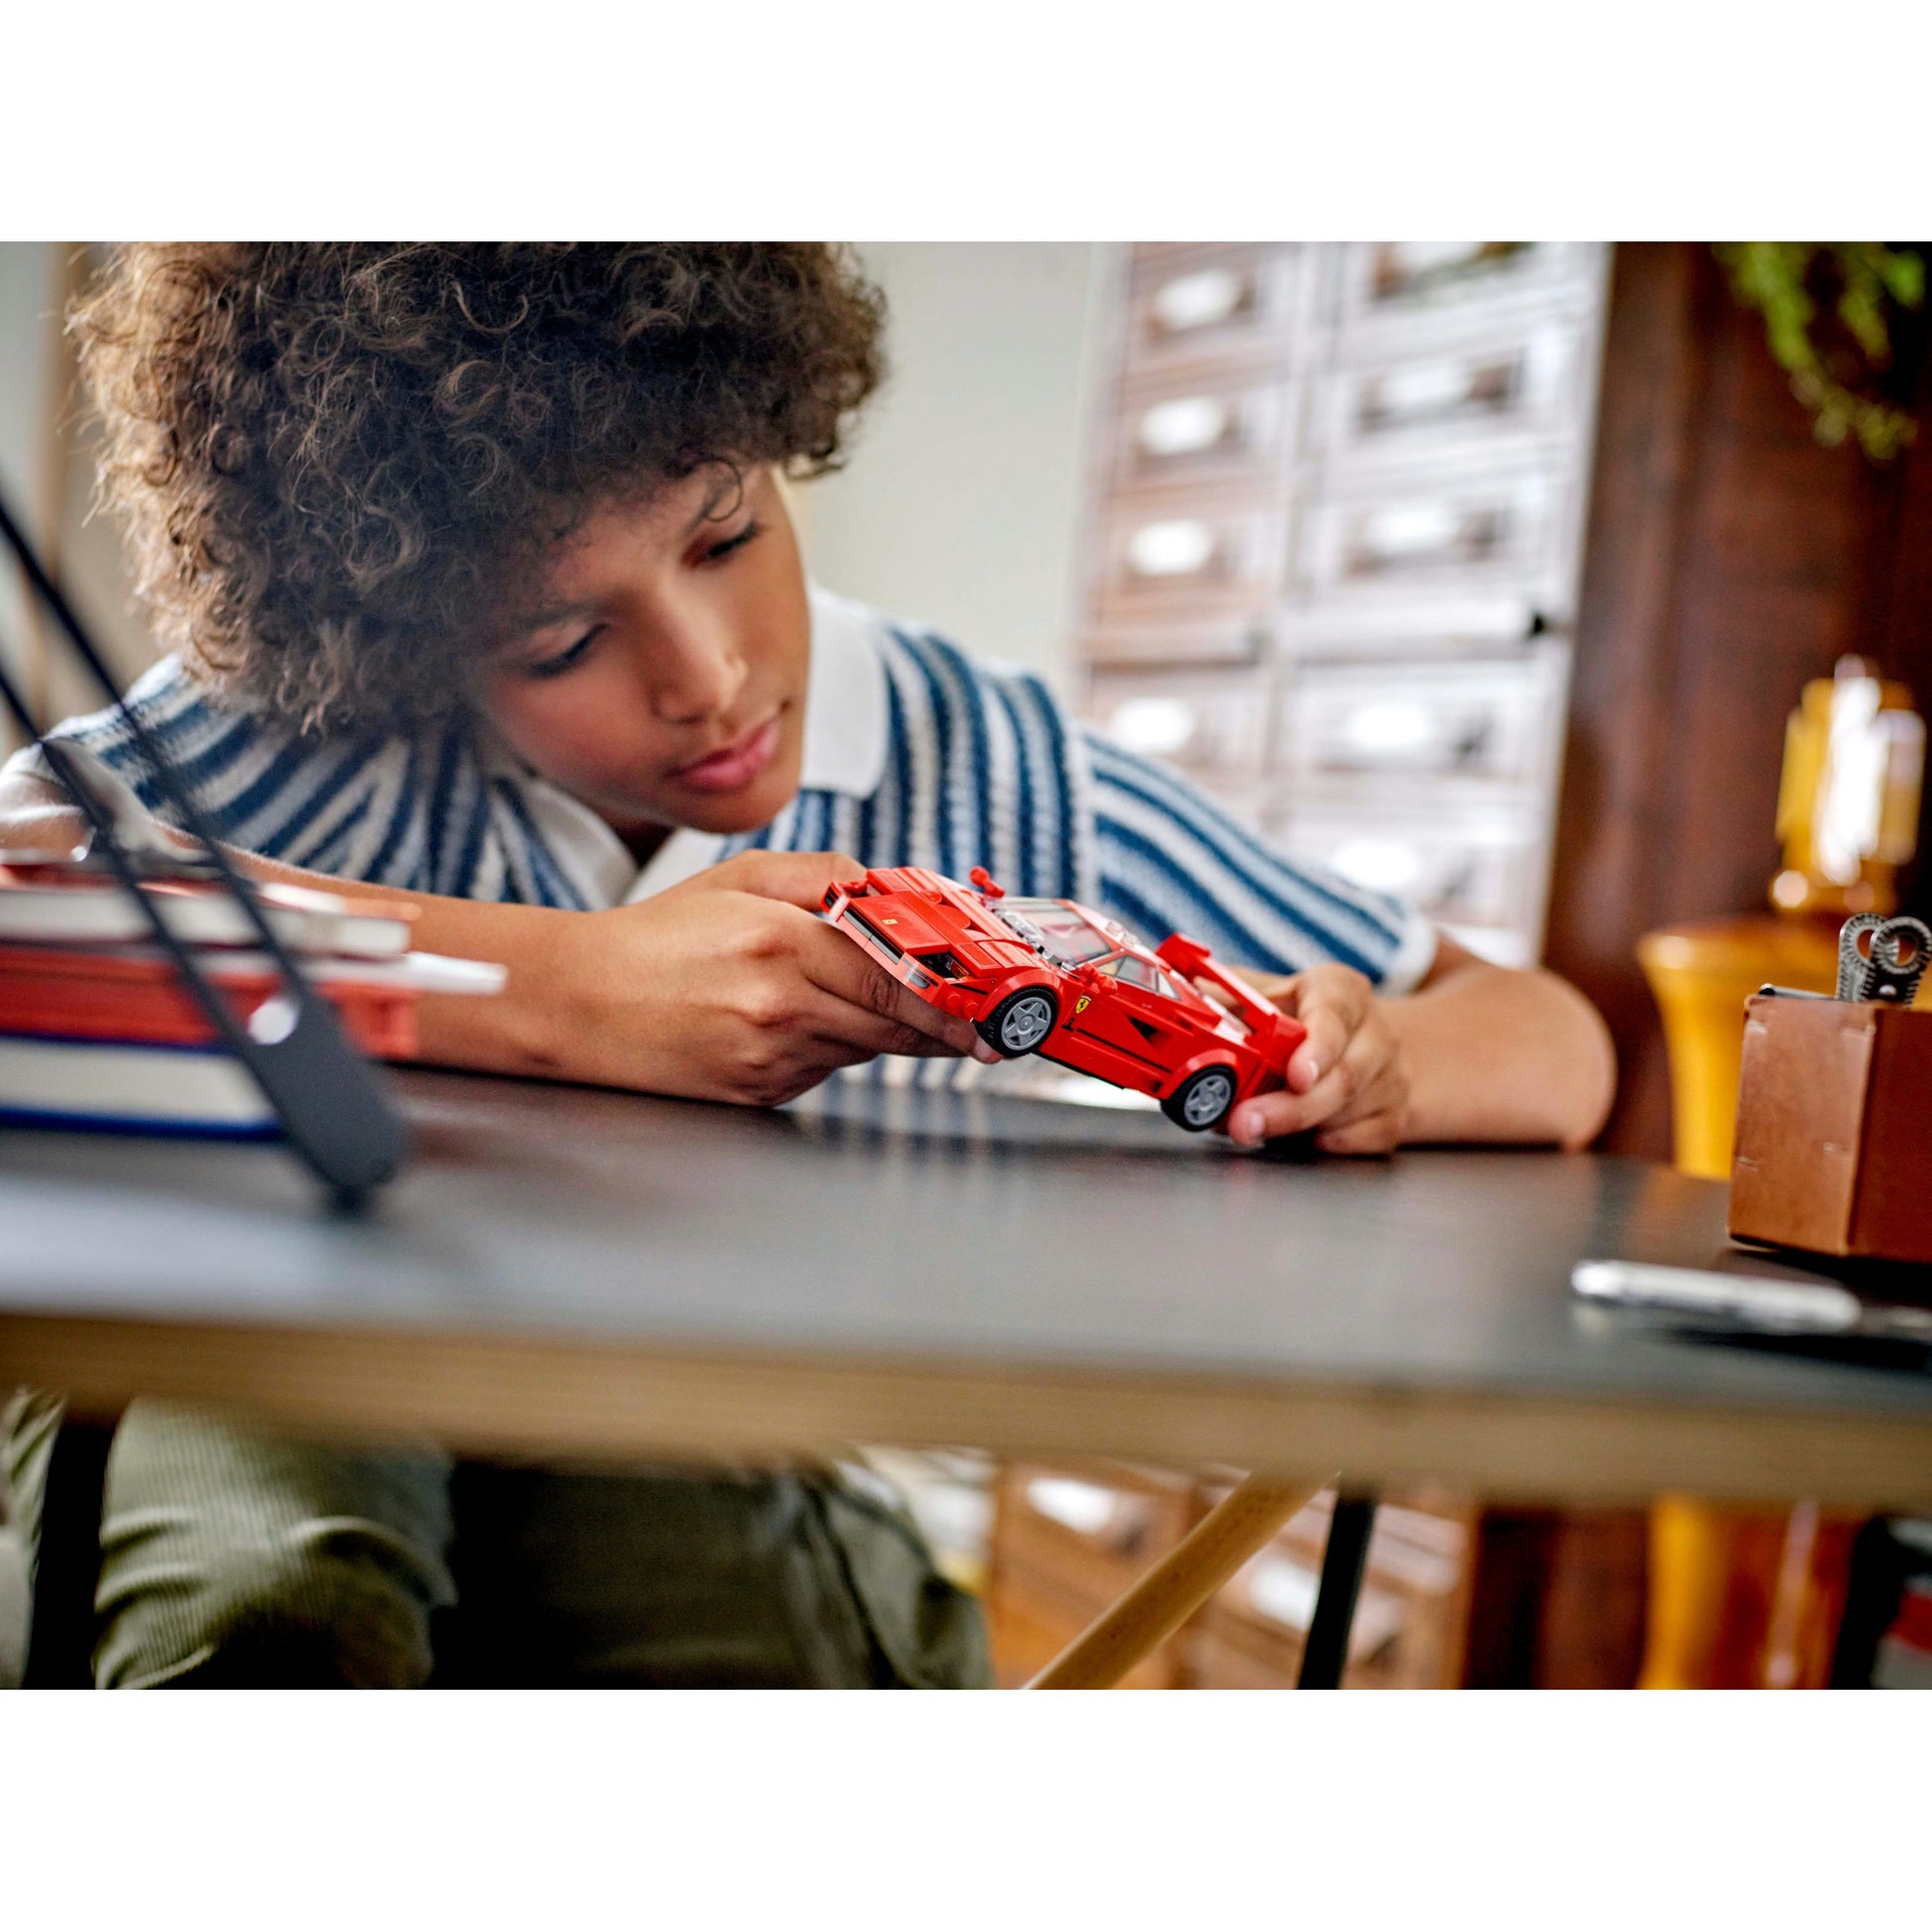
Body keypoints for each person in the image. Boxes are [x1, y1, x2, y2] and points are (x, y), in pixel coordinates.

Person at [0, 244, 1615, 1688]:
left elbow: (1549, 1043)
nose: (706, 679)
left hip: (675, 1410)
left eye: (726, 533)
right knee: (273, 1618)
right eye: (559, 643)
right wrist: (569, 994)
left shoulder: (980, 769)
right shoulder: (312, 732)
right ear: (403, 641)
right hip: (285, 1340)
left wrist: (1372, 1062)